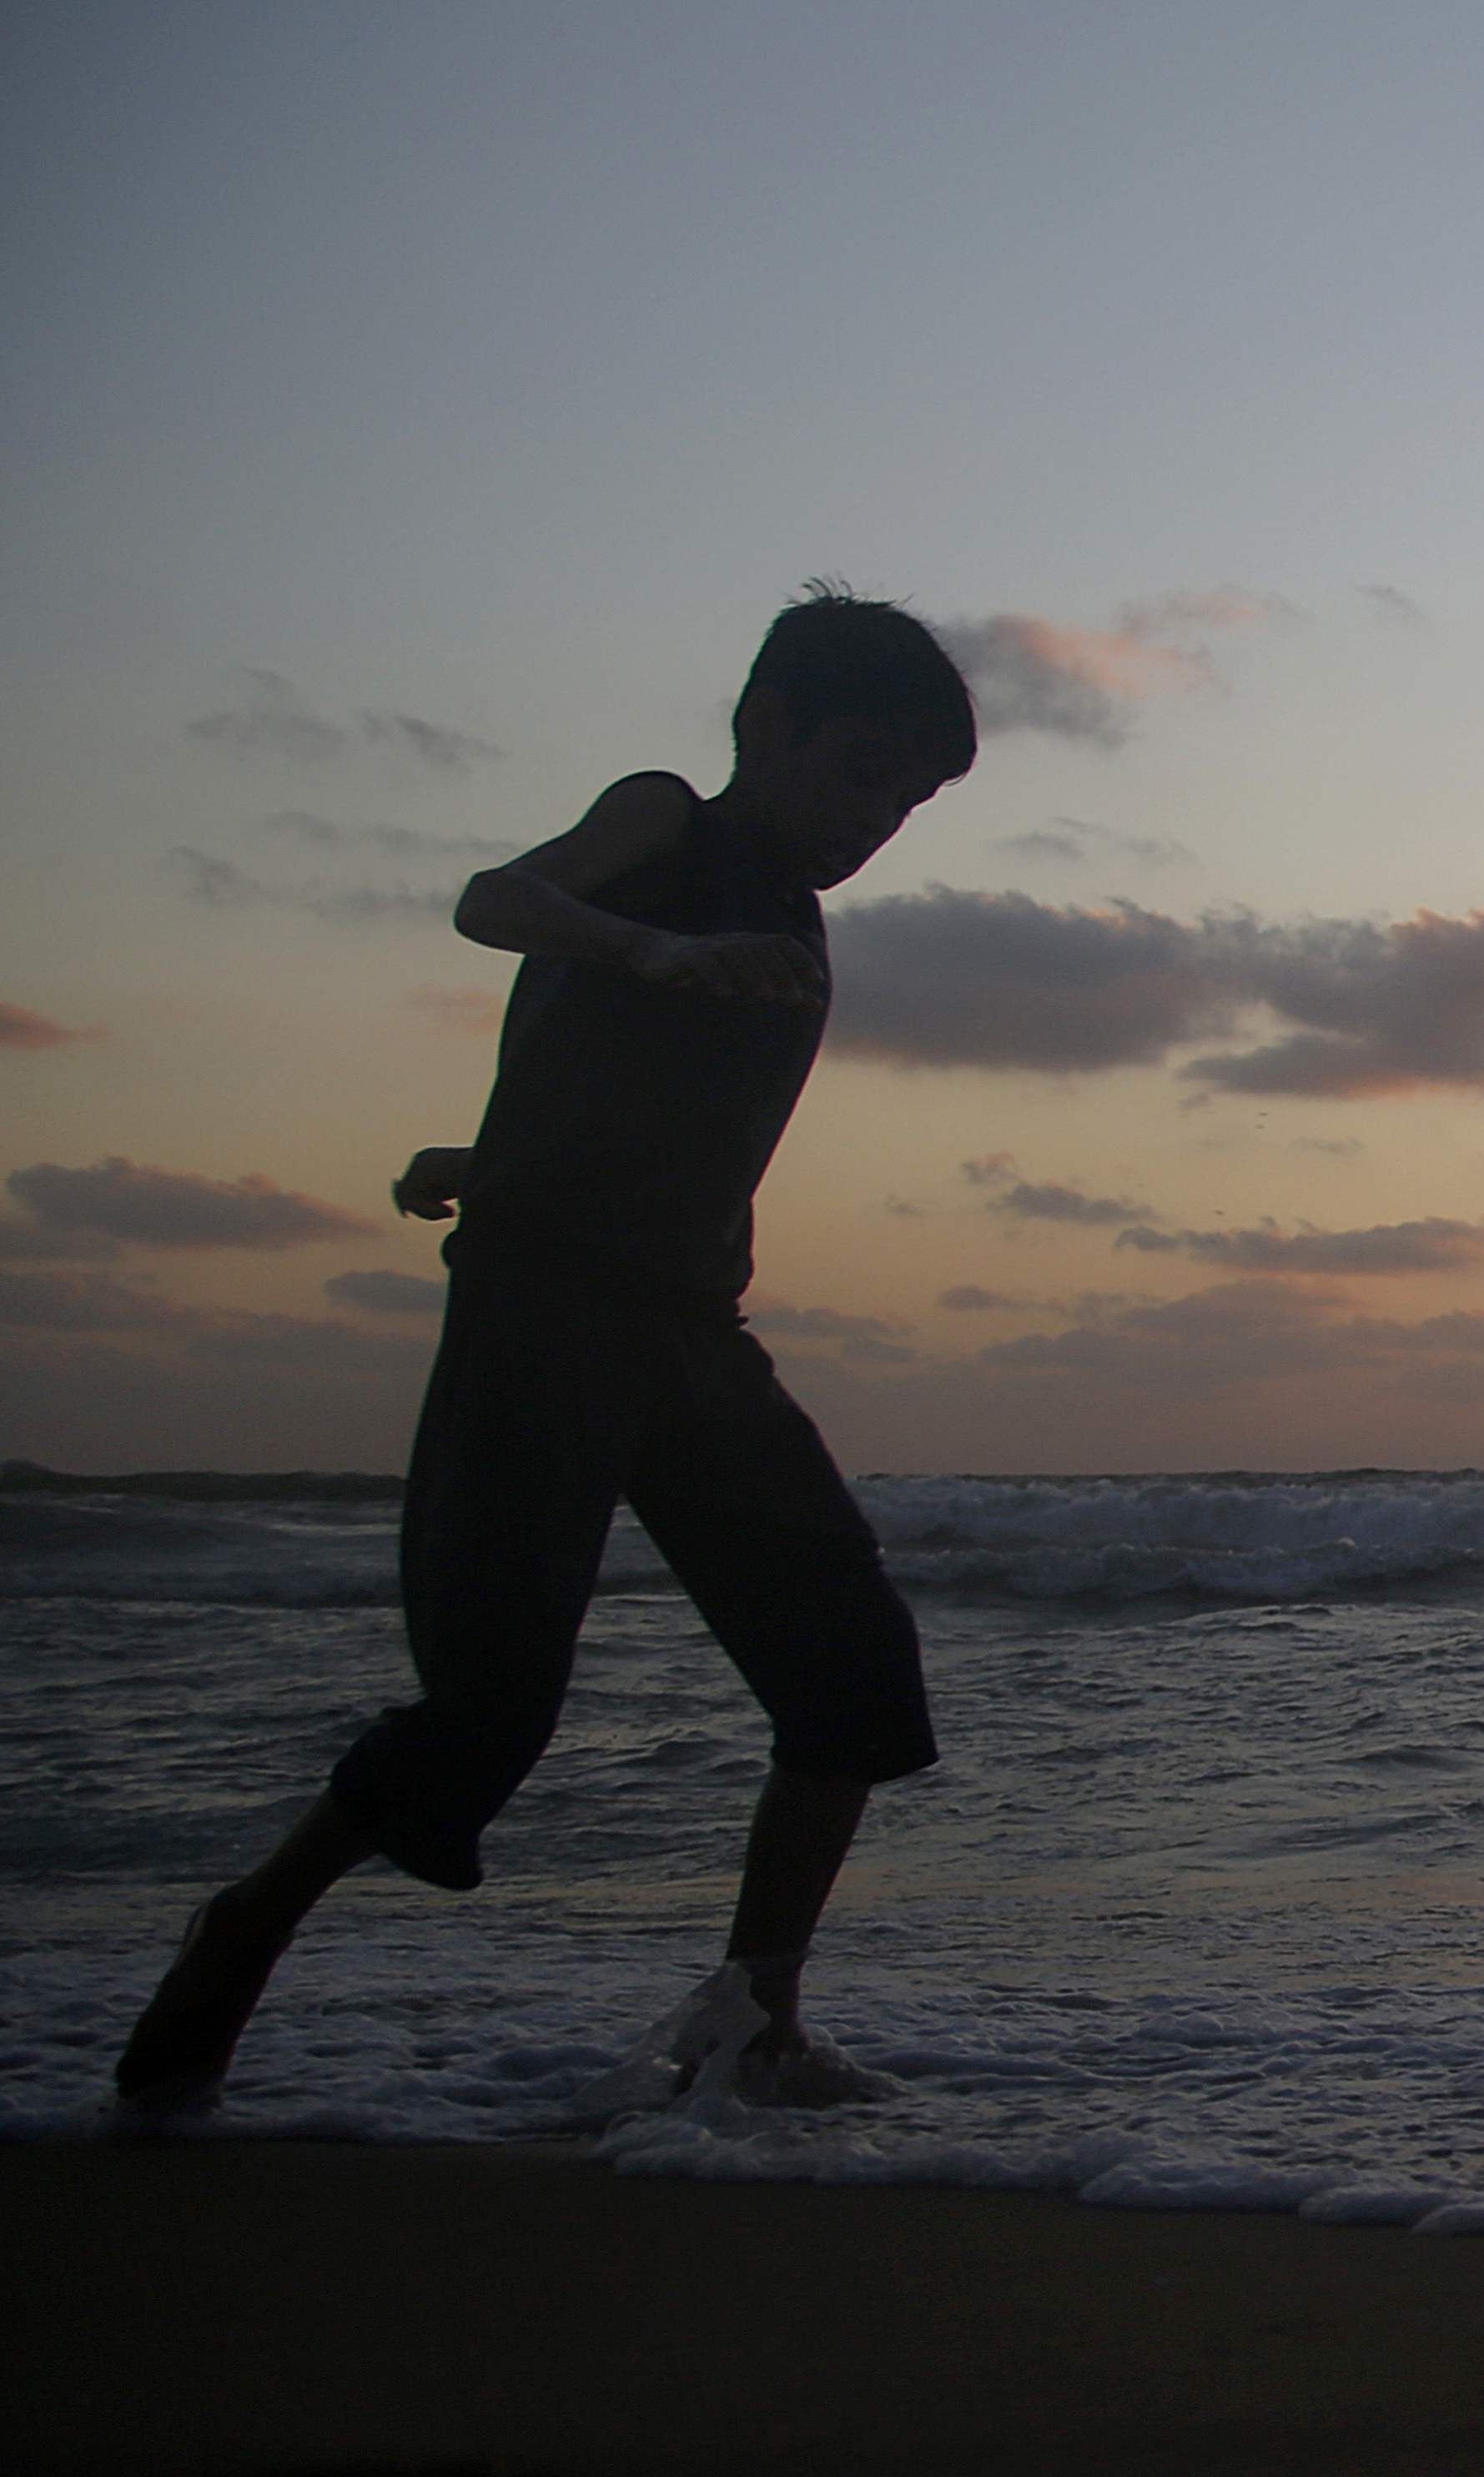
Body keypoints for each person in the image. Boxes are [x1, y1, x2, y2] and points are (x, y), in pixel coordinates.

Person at [112, 586, 974, 2116]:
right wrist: (646, 950)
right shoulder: (668, 829)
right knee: (487, 1713)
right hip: (543, 1319)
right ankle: (246, 1921)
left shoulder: (794, 916)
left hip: (693, 1341)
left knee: (852, 1674)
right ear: (764, 727)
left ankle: (753, 2019)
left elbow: (626, 1091)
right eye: (857, 771)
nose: (872, 823)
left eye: (906, 803)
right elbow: (498, 904)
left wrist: (487, 1141)